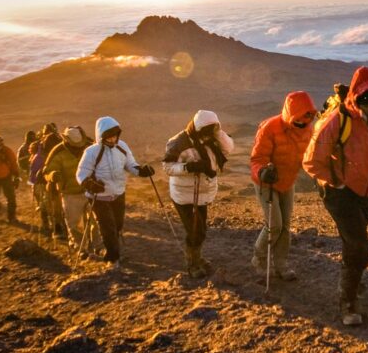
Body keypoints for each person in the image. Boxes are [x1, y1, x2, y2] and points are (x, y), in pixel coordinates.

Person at [303, 66, 368, 326]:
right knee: (359, 247)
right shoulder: (339, 119)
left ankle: (354, 283)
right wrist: (336, 182)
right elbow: (312, 161)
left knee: (354, 242)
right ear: (356, 97)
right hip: (341, 193)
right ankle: (347, 302)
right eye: (366, 101)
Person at [249, 91, 318, 281]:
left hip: (287, 181)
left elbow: (310, 158)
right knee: (275, 224)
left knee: (285, 227)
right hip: (266, 181)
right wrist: (262, 171)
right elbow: (257, 158)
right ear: (290, 114)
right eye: (299, 119)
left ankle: (281, 265)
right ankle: (259, 258)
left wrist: (319, 177)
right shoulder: (270, 127)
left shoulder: (310, 130)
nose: (303, 123)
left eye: (307, 118)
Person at [163, 110, 234, 277]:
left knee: (200, 229)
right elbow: (167, 167)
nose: (209, 134)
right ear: (198, 128)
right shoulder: (179, 142)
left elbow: (229, 147)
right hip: (184, 194)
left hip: (203, 193)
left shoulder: (213, 137)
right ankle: (193, 264)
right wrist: (189, 167)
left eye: (212, 129)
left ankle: (197, 257)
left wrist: (218, 131)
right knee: (195, 230)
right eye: (207, 130)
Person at [76, 116, 155, 263]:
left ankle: (113, 250)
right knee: (108, 227)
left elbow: (130, 164)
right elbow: (81, 173)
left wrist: (142, 171)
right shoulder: (92, 152)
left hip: (118, 193)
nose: (113, 140)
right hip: (98, 197)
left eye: (115, 136)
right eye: (109, 137)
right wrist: (89, 184)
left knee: (118, 224)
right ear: (101, 136)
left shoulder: (122, 146)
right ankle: (112, 257)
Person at [42, 126, 92, 253]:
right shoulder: (58, 152)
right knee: (73, 223)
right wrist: (52, 175)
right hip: (70, 193)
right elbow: (47, 171)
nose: (78, 146)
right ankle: (80, 246)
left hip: (90, 190)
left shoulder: (89, 147)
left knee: (96, 221)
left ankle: (97, 246)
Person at [29, 124, 64, 238]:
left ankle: (52, 225)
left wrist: (34, 179)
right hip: (54, 180)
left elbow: (34, 166)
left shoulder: (40, 148)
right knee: (54, 204)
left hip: (47, 180)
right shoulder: (59, 145)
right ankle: (57, 226)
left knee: (50, 203)